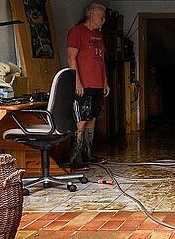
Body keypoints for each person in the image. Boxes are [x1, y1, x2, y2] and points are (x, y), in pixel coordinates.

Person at [67, 2, 109, 169]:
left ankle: (88, 154)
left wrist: (105, 81)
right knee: (82, 119)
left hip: (98, 84)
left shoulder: (99, 35)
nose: (104, 20)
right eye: (102, 16)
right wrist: (77, 81)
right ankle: (75, 158)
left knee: (92, 119)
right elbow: (71, 58)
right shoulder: (77, 32)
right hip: (83, 84)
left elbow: (102, 61)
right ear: (91, 15)